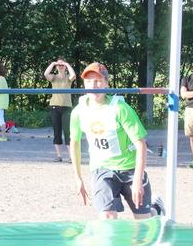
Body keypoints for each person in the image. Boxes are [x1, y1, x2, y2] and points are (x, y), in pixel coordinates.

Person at [69, 62, 164, 220]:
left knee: (143, 222)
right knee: (107, 218)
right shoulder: (79, 112)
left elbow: (141, 144)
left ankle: (156, 210)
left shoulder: (120, 108)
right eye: (89, 81)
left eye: (98, 81)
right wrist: (78, 178)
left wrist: (138, 179)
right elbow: (74, 143)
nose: (93, 85)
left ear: (106, 83)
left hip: (130, 169)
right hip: (102, 169)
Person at [44, 58, 76, 162]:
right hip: (54, 107)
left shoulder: (68, 78)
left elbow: (73, 75)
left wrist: (67, 64)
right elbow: (46, 74)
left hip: (66, 107)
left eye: (62, 65)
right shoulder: (54, 77)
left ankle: (71, 157)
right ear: (56, 67)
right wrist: (53, 63)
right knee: (57, 132)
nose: (60, 66)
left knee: (68, 132)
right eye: (59, 65)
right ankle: (58, 156)